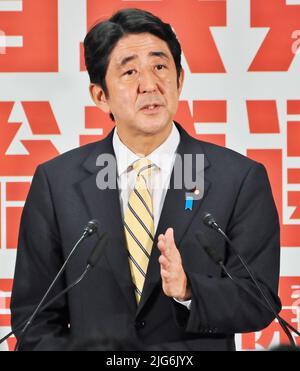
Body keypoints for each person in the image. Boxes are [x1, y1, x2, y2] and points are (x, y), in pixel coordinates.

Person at [11, 8, 281, 351]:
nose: (150, 84)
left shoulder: (238, 179)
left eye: (160, 66)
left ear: (179, 80)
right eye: (129, 71)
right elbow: (33, 316)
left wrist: (188, 289)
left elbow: (259, 299)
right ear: (100, 95)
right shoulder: (57, 183)